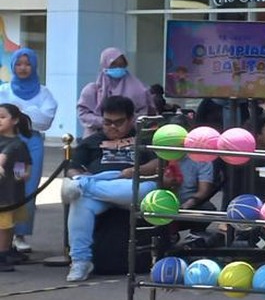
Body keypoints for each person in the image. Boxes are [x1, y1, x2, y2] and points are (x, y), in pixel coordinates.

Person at [60, 95, 158, 282]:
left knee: (80, 189)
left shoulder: (143, 139)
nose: (112, 127)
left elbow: (158, 162)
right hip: (100, 195)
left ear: (130, 120)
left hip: (134, 186)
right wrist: (76, 176)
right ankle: (80, 260)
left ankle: (85, 185)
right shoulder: (91, 141)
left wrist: (136, 170)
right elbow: (73, 168)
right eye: (107, 122)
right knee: (79, 202)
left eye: (118, 122)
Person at [0, 48, 58, 254]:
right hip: (4, 143)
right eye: (18, 64)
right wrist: (28, 113)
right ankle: (4, 235)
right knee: (3, 187)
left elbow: (44, 120)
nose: (22, 68)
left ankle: (21, 234)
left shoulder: (43, 92)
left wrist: (20, 111)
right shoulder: (4, 89)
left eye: (27, 64)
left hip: (29, 145)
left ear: (34, 66)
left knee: (23, 185)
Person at [77, 47, 156, 135]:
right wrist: (104, 122)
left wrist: (124, 123)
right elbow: (83, 114)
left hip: (129, 136)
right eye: (113, 65)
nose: (118, 68)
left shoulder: (139, 89)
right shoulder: (92, 90)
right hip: (95, 135)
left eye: (121, 65)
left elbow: (145, 114)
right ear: (105, 65)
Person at [0, 104, 32, 272]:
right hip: (3, 193)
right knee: (3, 225)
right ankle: (2, 253)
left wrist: (21, 174)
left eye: (2, 117)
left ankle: (5, 251)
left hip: (10, 191)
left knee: (8, 224)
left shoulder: (18, 143)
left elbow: (21, 164)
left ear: (15, 120)